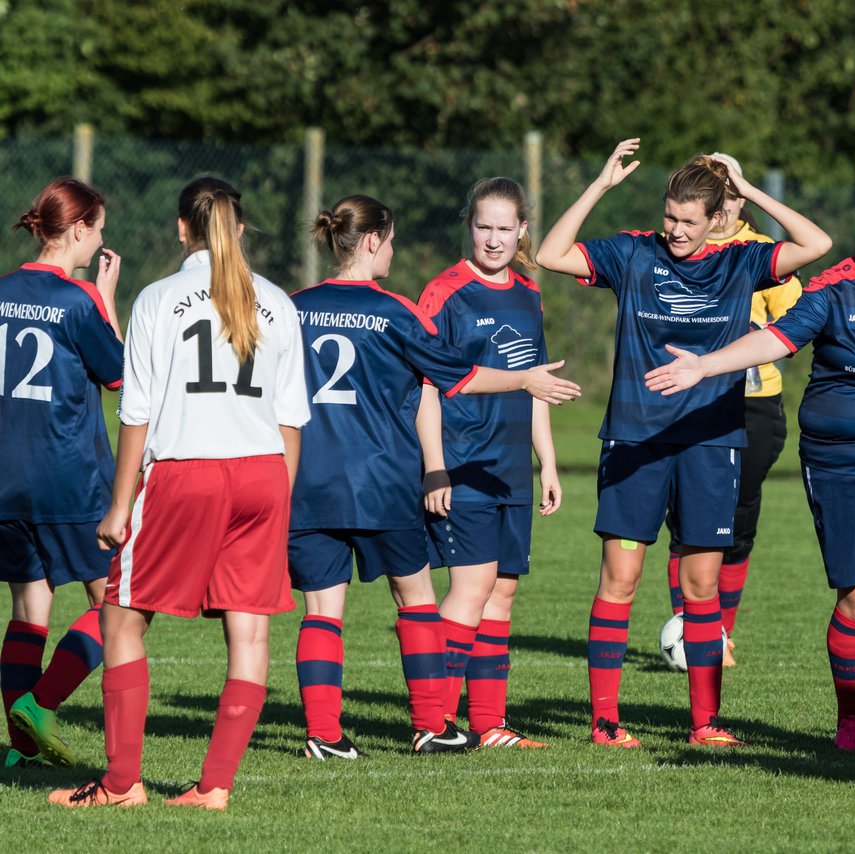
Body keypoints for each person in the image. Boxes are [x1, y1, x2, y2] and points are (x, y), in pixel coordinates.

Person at [649, 187, 855, 757]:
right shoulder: (834, 287)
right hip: (838, 464)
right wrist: (704, 366)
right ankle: (852, 720)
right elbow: (773, 339)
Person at [537, 139, 831, 747]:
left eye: (688, 221)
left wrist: (746, 191)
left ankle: (705, 722)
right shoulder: (632, 254)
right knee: (619, 580)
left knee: (701, 588)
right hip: (635, 439)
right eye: (670, 216)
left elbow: (817, 244)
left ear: (715, 218)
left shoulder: (741, 262)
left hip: (710, 441)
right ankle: (605, 722)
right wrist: (599, 186)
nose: (674, 229)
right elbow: (549, 253)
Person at [48, 176, 311, 810]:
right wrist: (280, 499)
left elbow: (135, 412)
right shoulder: (276, 300)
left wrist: (118, 505)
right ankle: (214, 787)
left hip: (189, 471)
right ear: (238, 229)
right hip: (264, 474)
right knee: (249, 634)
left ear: (180, 228)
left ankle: (120, 785)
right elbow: (291, 418)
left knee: (120, 617)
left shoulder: (159, 299)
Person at [289, 194, 579, 760]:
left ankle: (323, 735)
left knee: (322, 611)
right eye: (391, 241)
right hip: (383, 480)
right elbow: (458, 378)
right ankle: (431, 723)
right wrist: (523, 382)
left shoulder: (293, 306)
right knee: (417, 601)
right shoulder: (398, 311)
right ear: (372, 241)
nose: (394, 251)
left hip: (312, 481)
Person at [417, 178, 565, 748]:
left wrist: (546, 463)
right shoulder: (445, 292)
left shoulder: (529, 293)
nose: (494, 239)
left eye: (506, 228)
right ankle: (434, 722)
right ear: (469, 226)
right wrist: (435, 467)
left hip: (511, 468)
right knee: (471, 586)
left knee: (502, 591)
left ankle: (489, 723)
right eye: (484, 227)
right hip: (463, 465)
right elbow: (428, 387)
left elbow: (536, 386)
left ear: (523, 230)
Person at [662, 153, 802, 667]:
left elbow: (794, 327)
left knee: (738, 523)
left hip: (752, 404)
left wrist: (734, 346)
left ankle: (722, 635)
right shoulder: (672, 248)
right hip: (685, 404)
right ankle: (687, 628)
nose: (725, 203)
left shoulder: (763, 253)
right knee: (688, 521)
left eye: (732, 191)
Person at [1, 178, 122, 768]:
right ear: (78, 230)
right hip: (69, 480)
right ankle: (42, 705)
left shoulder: (1, 291)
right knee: (117, 603)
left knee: (29, 608)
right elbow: (122, 378)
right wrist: (106, 300)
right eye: (97, 229)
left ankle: (21, 749)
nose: (99, 239)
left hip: (6, 480)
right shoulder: (78, 302)